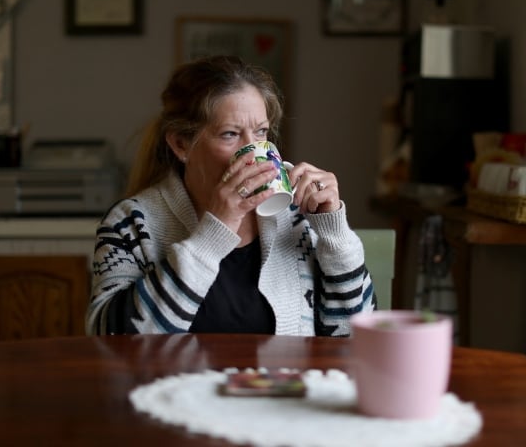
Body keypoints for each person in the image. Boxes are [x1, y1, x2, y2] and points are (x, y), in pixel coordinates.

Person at [86, 55, 375, 337]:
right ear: (180, 144)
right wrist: (214, 232)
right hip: (178, 386)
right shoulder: (131, 223)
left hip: (285, 385)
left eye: (260, 132)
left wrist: (334, 235)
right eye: (230, 134)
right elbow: (110, 340)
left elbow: (356, 339)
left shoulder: (300, 217)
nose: (252, 152)